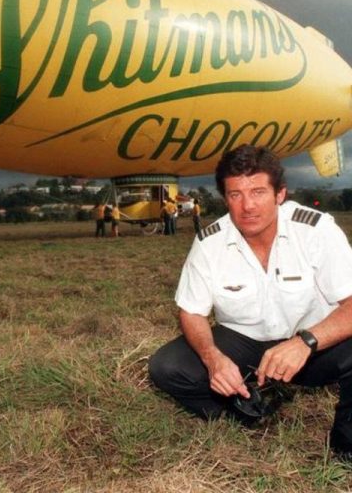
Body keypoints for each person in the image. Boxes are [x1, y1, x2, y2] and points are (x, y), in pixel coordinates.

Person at [148, 144, 352, 458]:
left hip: (313, 345)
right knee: (167, 366)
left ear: (280, 194)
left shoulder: (315, 230)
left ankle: (346, 440)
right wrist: (213, 359)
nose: (247, 206)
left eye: (258, 192)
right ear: (225, 198)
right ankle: (241, 410)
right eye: (235, 194)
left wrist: (306, 342)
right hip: (245, 342)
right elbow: (191, 311)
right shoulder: (209, 242)